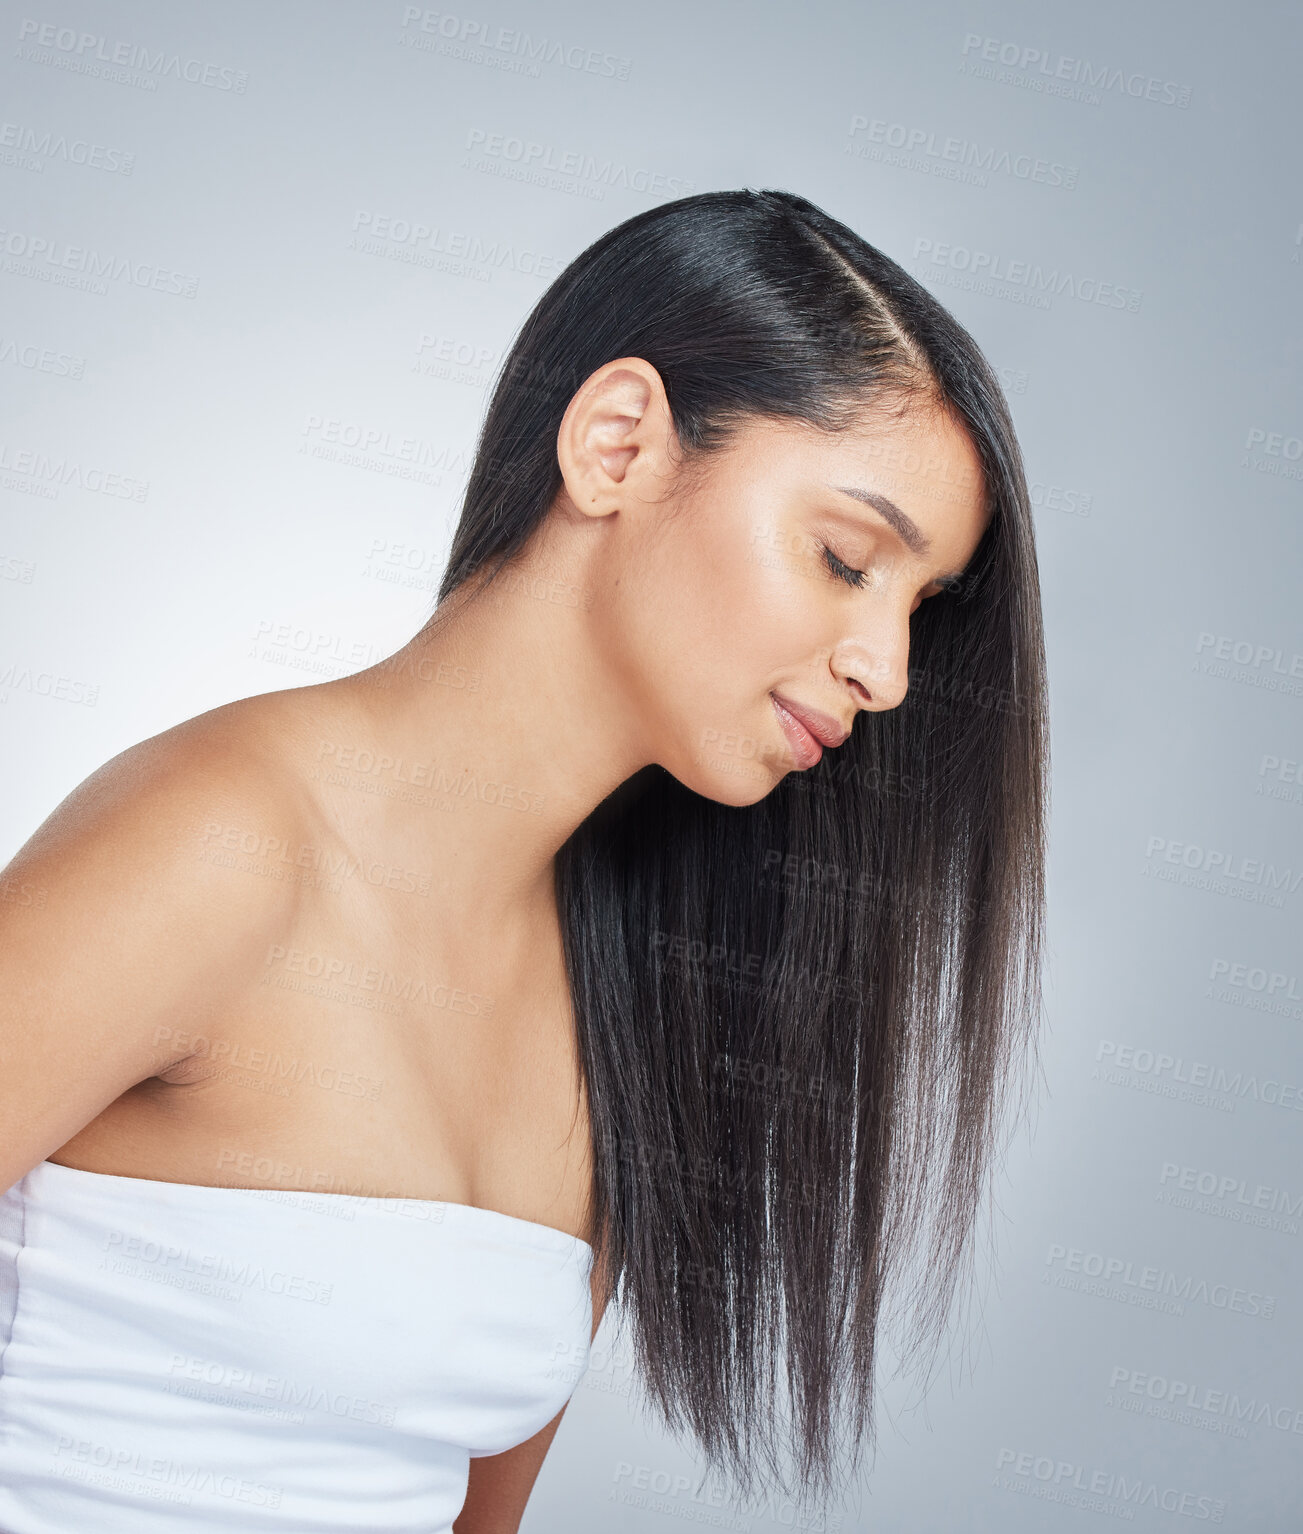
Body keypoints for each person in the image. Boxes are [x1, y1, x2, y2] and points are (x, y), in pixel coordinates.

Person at [0, 188, 1048, 1531]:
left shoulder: (621, 1005)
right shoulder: (225, 842)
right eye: (848, 558)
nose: (887, 671)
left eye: (919, 608)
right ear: (618, 446)